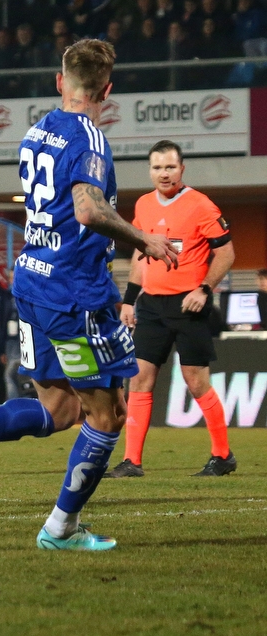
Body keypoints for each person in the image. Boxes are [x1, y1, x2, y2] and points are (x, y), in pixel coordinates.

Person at [0, 40, 177, 551]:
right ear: (108, 90)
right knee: (108, 414)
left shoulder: (37, 130)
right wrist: (143, 237)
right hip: (76, 294)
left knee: (59, 410)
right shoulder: (89, 139)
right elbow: (88, 210)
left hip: (32, 283)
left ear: (58, 80)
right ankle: (59, 530)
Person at [106, 140, 236, 478]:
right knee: (139, 380)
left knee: (196, 382)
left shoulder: (200, 205)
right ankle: (132, 461)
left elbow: (226, 253)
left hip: (188, 305)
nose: (163, 173)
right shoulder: (145, 205)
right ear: (150, 170)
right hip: (151, 305)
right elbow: (139, 256)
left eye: (170, 167)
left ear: (182, 169)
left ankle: (222, 456)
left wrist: (204, 289)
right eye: (157, 167)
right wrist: (131, 299)